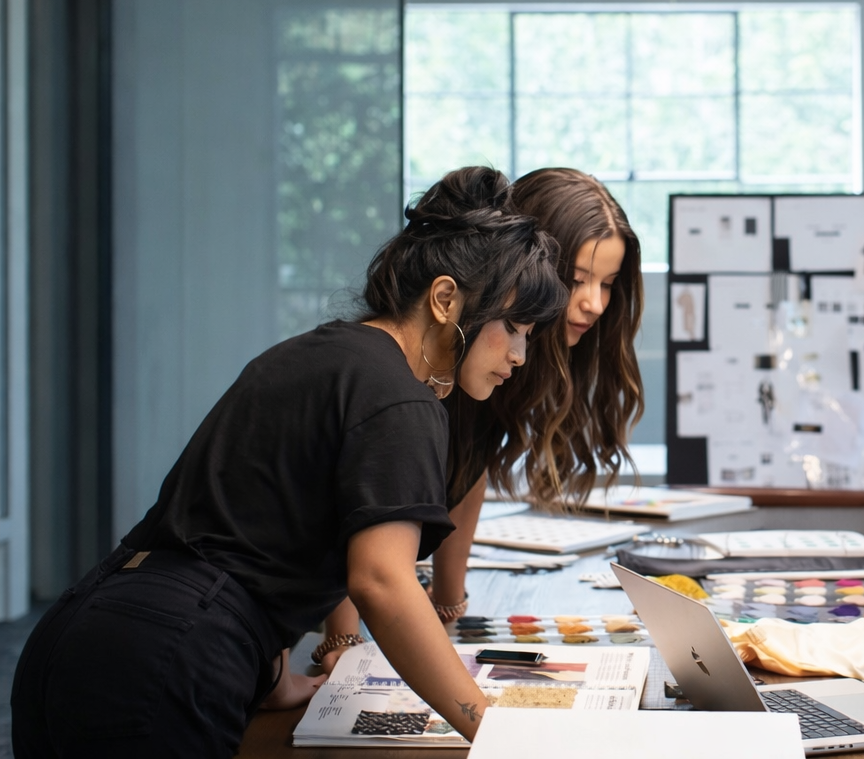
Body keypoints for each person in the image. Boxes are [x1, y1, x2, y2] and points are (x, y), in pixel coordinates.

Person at [12, 167, 568, 757]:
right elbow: (382, 581)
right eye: (511, 327)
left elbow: (240, 528)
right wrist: (494, 729)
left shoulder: (322, 353)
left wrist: (270, 676)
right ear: (444, 298)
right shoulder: (400, 396)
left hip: (77, 636)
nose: (518, 355)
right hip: (165, 662)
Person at [316, 166, 644, 648]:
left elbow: (470, 467)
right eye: (577, 280)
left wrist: (450, 604)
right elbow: (341, 505)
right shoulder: (429, 367)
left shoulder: (504, 362)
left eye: (608, 283)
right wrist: (339, 643)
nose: (595, 304)